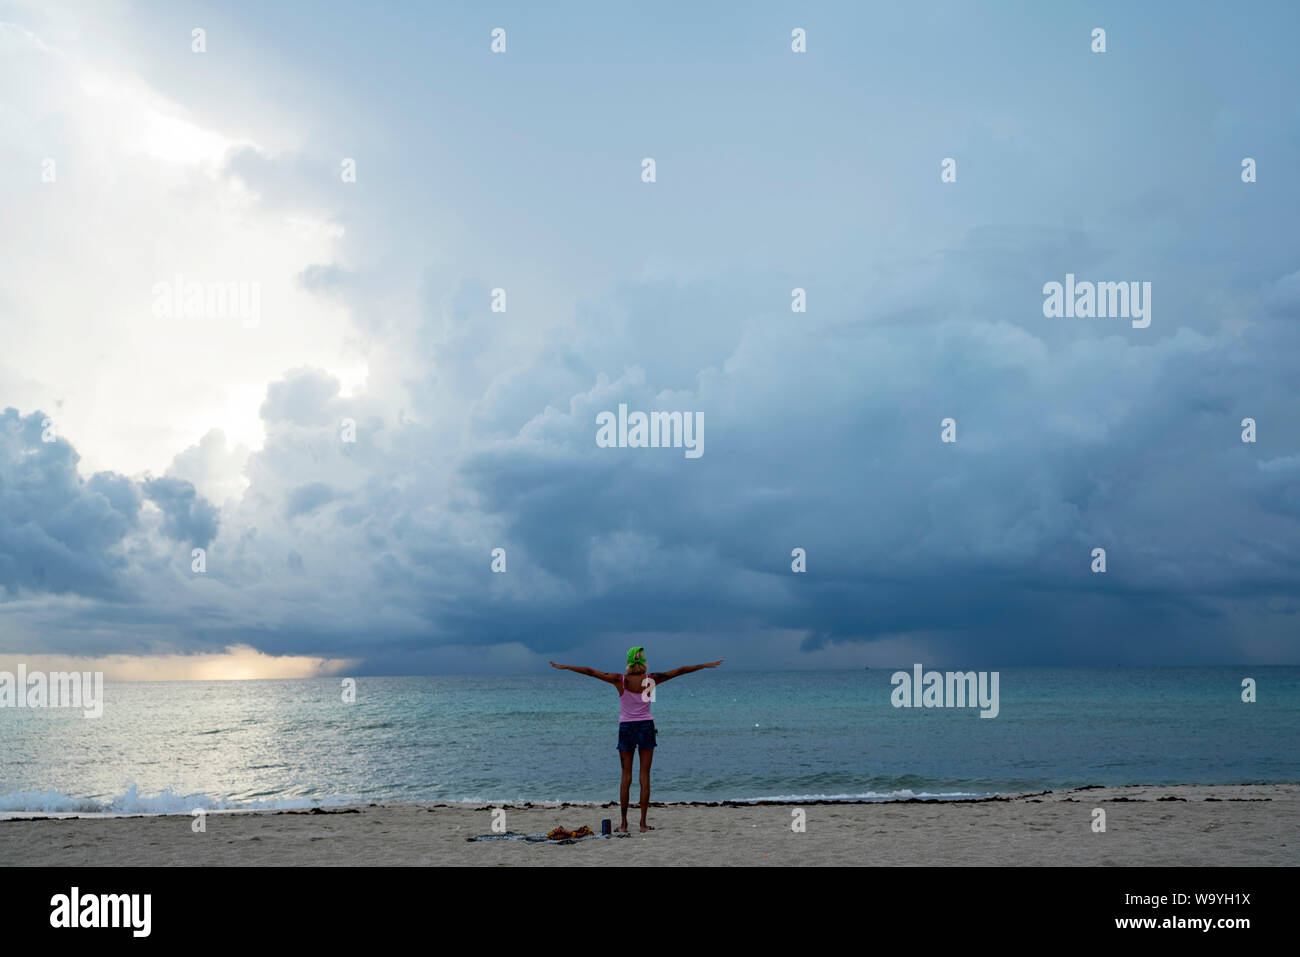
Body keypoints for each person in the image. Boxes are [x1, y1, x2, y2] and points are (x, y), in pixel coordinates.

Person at [550, 648, 723, 832]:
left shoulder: (620, 680)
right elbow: (680, 671)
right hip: (646, 727)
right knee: (644, 776)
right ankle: (642, 824)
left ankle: (624, 824)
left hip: (626, 728)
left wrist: (567, 666)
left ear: (628, 662)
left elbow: (591, 672)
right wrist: (704, 665)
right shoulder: (651, 678)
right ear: (644, 662)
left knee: (626, 776)